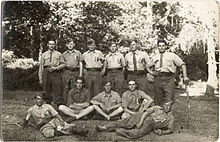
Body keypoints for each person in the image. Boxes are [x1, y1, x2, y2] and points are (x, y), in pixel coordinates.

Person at [96, 101, 174, 139]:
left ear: (171, 107)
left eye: (169, 106)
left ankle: (118, 131)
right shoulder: (157, 108)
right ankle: (104, 127)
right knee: (125, 122)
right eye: (165, 105)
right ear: (163, 105)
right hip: (142, 116)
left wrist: (162, 132)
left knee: (136, 134)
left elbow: (170, 130)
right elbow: (145, 113)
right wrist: (140, 121)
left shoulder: (171, 118)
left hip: (151, 122)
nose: (167, 107)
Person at [151, 39, 189, 106]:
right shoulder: (154, 57)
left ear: (166, 46)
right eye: (159, 46)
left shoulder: (172, 55)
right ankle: (159, 115)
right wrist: (152, 72)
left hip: (168, 79)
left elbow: (182, 65)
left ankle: (167, 115)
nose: (161, 47)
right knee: (158, 100)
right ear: (157, 47)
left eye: (163, 45)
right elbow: (147, 66)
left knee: (169, 100)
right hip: (158, 79)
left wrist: (185, 77)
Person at [38, 40, 65, 106]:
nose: (51, 46)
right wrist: (40, 77)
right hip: (46, 72)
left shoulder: (59, 54)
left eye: (53, 44)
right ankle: (48, 105)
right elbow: (41, 66)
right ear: (48, 45)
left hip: (55, 73)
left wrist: (55, 68)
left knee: (57, 89)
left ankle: (59, 106)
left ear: (55, 45)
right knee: (47, 89)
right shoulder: (44, 54)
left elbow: (63, 64)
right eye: (50, 44)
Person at [62, 39, 83, 104]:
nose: (70, 45)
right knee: (65, 88)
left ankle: (74, 103)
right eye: (69, 44)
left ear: (74, 45)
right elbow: (62, 64)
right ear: (66, 45)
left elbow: (80, 63)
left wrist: (80, 73)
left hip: (75, 72)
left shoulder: (78, 53)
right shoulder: (64, 54)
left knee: (74, 88)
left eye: (71, 44)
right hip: (67, 71)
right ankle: (65, 103)